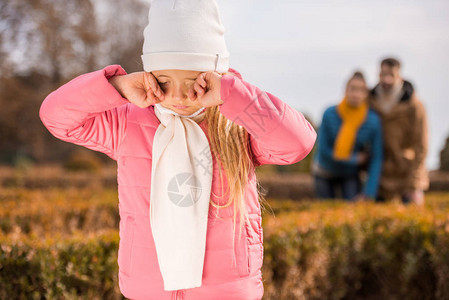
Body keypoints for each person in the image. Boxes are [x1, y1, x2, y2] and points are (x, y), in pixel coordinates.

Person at [39, 0, 317, 299]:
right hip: (150, 287)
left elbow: (297, 143)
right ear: (149, 74)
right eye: (164, 80)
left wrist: (231, 95)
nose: (180, 95)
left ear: (215, 74)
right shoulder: (128, 123)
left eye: (193, 80)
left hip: (225, 290)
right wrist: (118, 87)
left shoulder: (236, 124)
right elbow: (56, 116)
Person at [312, 71, 383, 201]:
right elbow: (323, 150)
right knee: (325, 210)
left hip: (350, 174)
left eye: (361, 90)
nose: (356, 94)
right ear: (345, 90)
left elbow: (376, 158)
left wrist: (369, 194)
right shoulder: (329, 114)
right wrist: (354, 159)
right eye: (353, 89)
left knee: (351, 209)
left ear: (366, 94)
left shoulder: (372, 121)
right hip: (324, 170)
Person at [368, 57, 429, 205]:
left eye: (391, 75)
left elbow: (421, 145)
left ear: (399, 76)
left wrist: (414, 182)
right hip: (380, 175)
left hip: (405, 174)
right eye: (383, 74)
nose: (387, 79)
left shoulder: (414, 105)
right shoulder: (370, 100)